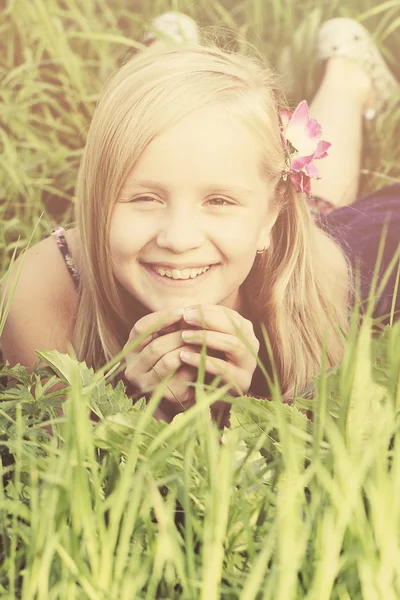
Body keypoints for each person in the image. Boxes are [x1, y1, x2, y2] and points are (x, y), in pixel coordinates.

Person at [1, 14, 399, 424]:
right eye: (144, 197)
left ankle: (349, 79)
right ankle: (162, 53)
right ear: (98, 199)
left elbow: (306, 450)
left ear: (270, 216)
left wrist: (240, 406)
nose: (179, 238)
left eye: (219, 201)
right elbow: (63, 451)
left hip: (303, 234)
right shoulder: (38, 291)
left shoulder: (314, 276)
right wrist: (139, 405)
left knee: (322, 204)